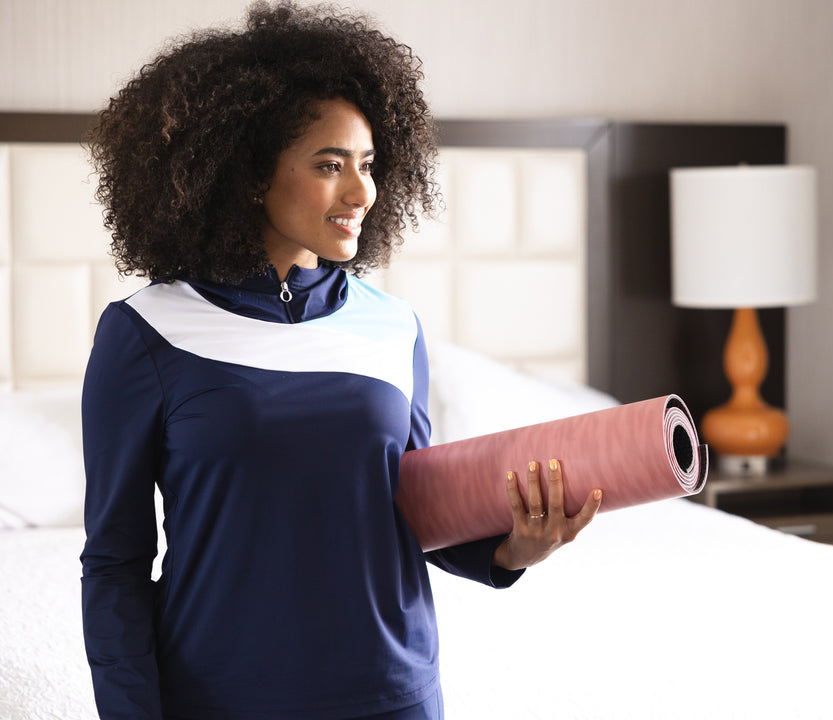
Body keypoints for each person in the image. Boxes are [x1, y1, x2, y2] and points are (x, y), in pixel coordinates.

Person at [79, 3, 602, 718]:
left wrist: (512, 549)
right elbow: (114, 564)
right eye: (330, 166)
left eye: (369, 165)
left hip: (394, 694)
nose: (362, 193)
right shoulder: (146, 331)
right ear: (251, 175)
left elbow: (412, 508)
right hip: (222, 699)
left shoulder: (393, 326)